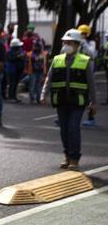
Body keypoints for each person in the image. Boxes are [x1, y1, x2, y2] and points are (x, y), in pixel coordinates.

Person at [40, 29, 97, 171]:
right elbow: (49, 78)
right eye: (65, 42)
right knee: (64, 130)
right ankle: (67, 155)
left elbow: (91, 84)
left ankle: (74, 159)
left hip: (77, 102)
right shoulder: (57, 59)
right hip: (61, 100)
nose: (66, 45)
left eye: (69, 43)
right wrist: (43, 94)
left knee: (73, 128)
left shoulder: (85, 61)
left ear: (77, 45)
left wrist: (93, 102)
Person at [77, 24, 98, 127]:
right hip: (78, 71)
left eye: (84, 34)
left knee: (89, 95)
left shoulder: (91, 43)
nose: (82, 35)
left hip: (88, 70)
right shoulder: (77, 43)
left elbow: (92, 54)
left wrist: (84, 44)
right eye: (81, 33)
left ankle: (91, 118)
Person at [5, 38, 26, 103]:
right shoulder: (9, 52)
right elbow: (10, 59)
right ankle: (11, 96)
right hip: (11, 70)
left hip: (17, 70)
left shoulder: (20, 50)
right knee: (12, 84)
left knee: (15, 84)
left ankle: (14, 96)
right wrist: (18, 57)